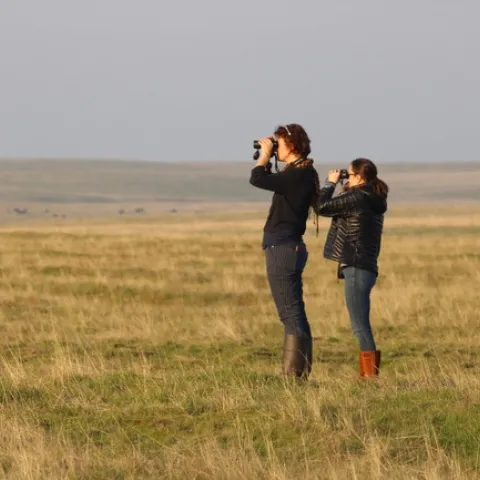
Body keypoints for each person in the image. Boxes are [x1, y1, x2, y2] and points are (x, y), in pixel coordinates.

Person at [249, 124, 320, 380]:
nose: (276, 147)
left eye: (279, 143)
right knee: (293, 311)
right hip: (287, 245)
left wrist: (265, 156)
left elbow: (257, 179)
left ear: (291, 145)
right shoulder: (301, 172)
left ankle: (295, 376)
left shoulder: (299, 174)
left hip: (284, 247)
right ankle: (298, 374)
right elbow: (270, 180)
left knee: (290, 312)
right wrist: (269, 156)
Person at [317, 158, 389, 378]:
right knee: (360, 323)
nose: (345, 178)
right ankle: (369, 375)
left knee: (359, 325)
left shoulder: (357, 197)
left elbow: (321, 206)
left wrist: (330, 184)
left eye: (349, 174)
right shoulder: (372, 197)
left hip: (356, 266)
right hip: (366, 266)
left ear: (358, 176)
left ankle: (369, 377)